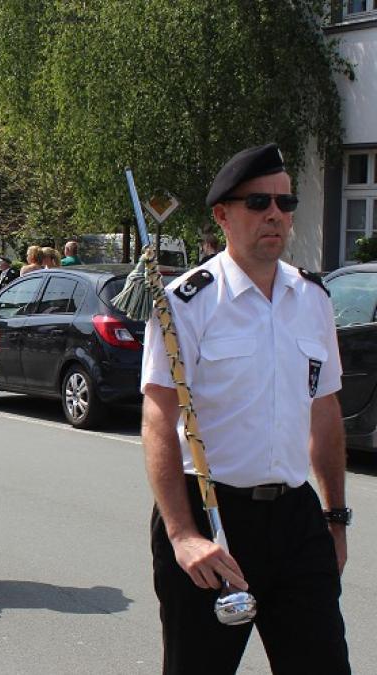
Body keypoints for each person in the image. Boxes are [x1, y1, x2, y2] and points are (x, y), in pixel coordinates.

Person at [141, 143, 350, 673]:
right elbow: (160, 417)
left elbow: (323, 411)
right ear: (222, 215)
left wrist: (335, 519)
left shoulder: (313, 299)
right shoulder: (186, 303)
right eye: (258, 203)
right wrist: (183, 535)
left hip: (297, 520)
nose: (275, 215)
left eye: (285, 202)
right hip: (214, 517)